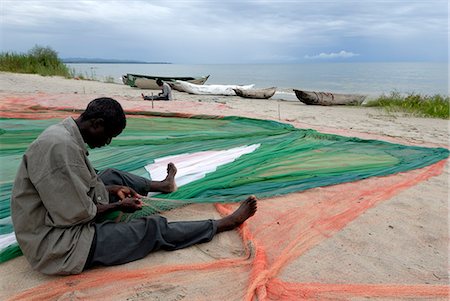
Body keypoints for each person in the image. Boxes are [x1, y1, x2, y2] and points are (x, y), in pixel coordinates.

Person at [10, 97, 257, 275]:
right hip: (61, 244)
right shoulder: (60, 148)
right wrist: (119, 204)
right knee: (150, 229)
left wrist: (111, 190)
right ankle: (221, 224)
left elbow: (80, 184)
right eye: (108, 136)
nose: (106, 143)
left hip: (59, 217)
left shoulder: (64, 134)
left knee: (109, 176)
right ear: (96, 124)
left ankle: (163, 185)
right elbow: (76, 214)